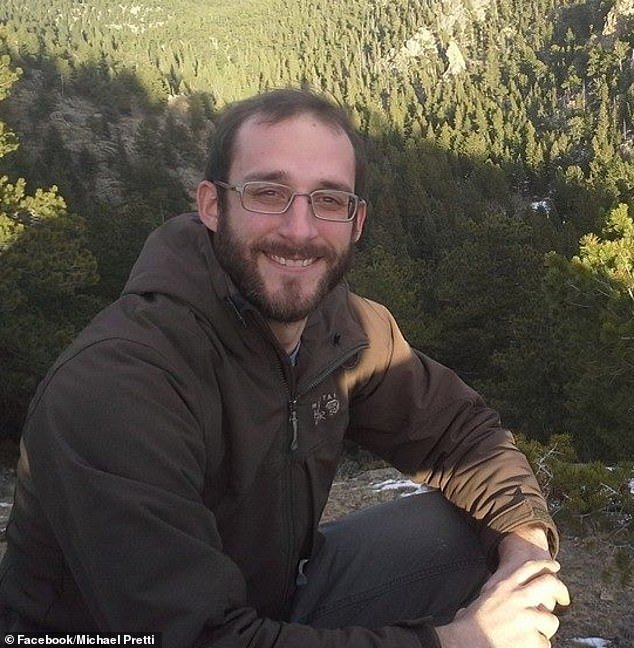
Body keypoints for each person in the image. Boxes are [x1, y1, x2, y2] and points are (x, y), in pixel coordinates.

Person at [0, 88, 569, 648]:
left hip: (269, 598)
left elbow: (459, 432)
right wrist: (457, 641)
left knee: (469, 537)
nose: (299, 230)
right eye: (268, 193)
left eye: (329, 200)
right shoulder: (120, 385)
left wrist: (525, 548)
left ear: (357, 221)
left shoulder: (340, 328)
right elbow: (195, 636)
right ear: (212, 206)